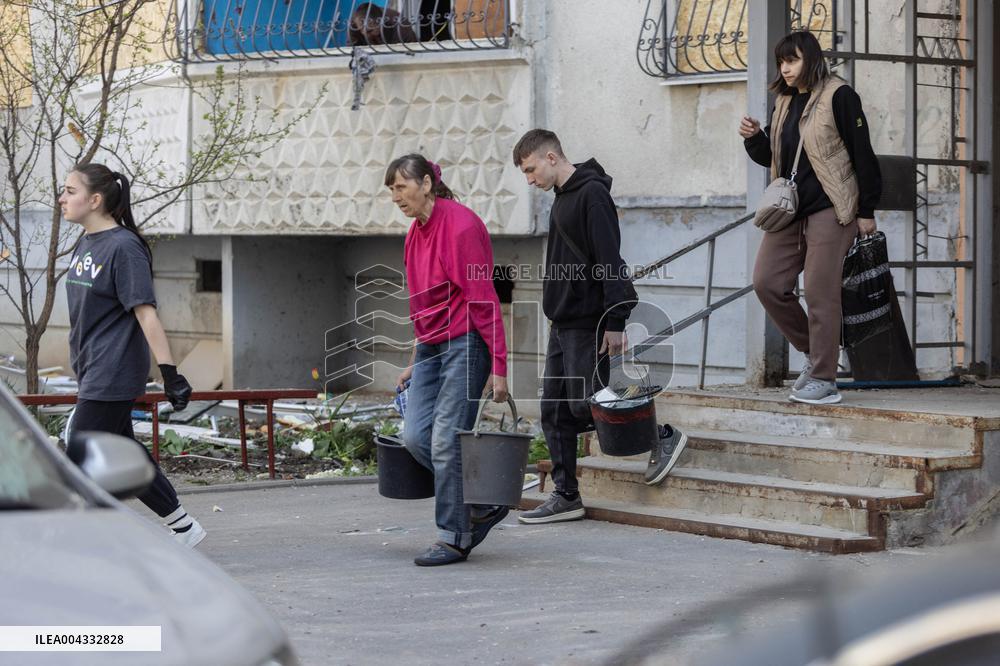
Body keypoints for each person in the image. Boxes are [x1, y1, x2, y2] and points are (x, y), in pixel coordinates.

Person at [512, 129, 689, 525]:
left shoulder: (592, 195)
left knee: (584, 403)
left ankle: (659, 435)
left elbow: (610, 259)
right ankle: (566, 495)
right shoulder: (563, 199)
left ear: (552, 157)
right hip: (563, 321)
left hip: (589, 321)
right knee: (554, 412)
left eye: (530, 169)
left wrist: (615, 319)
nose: (529, 179)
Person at [58, 163, 202, 547]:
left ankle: (68, 538)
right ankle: (184, 527)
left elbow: (146, 312)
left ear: (95, 199)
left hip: (114, 367)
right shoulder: (86, 243)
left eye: (70, 191)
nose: (62, 198)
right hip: (92, 365)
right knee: (123, 451)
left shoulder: (124, 247)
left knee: (77, 446)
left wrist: (170, 373)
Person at [739, 31, 882, 405]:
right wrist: (755, 139)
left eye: (794, 60)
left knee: (820, 293)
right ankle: (818, 352)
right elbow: (778, 159)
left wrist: (866, 210)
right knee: (767, 283)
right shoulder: (784, 101)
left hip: (831, 210)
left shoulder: (840, 95)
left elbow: (863, 154)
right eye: (782, 61)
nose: (786, 68)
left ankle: (824, 377)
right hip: (791, 210)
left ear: (812, 59)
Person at [386, 154, 510, 567]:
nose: (395, 197)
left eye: (401, 187)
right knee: (416, 437)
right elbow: (421, 302)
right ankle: (476, 506)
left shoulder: (459, 226)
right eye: (391, 190)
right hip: (431, 347)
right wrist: (414, 354)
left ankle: (454, 537)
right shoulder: (413, 233)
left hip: (467, 344)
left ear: (425, 183)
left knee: (446, 439)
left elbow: (485, 298)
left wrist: (499, 366)